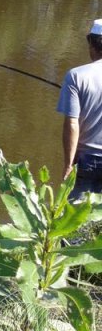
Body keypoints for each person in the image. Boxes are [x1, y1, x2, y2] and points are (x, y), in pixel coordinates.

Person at [57, 19, 102, 200]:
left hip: (86, 160)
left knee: (75, 217)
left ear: (91, 43)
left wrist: (68, 164)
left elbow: (72, 123)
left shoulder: (76, 76)